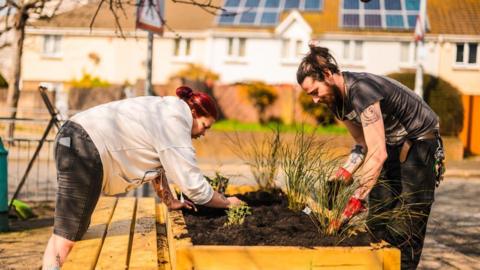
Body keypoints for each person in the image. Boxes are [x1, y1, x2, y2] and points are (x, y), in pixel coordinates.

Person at [42, 86, 243, 269]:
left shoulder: (166, 110)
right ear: (193, 113)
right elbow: (195, 188)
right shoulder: (174, 121)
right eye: (204, 126)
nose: (203, 134)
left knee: (67, 230)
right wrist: (227, 202)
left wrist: (170, 202)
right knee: (68, 236)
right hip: (84, 147)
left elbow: (158, 164)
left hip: (73, 138)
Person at [297, 45, 445, 270]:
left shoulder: (361, 90)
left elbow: (377, 154)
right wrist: (343, 174)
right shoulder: (337, 102)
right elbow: (362, 143)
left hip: (420, 144)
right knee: (378, 217)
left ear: (327, 75)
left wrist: (356, 199)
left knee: (407, 224)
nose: (315, 100)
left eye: (315, 92)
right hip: (391, 144)